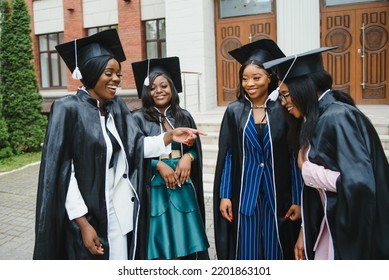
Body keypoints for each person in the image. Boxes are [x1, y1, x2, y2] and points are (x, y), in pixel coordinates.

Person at [33, 29, 204, 260]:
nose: (116, 79)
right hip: (90, 212)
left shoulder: (117, 109)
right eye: (109, 73)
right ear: (92, 73)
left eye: (118, 74)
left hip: (121, 214)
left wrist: (168, 137)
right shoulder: (68, 109)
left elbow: (136, 146)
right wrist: (82, 222)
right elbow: (64, 173)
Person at [263, 46, 389, 259]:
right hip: (330, 223)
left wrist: (308, 170)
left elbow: (360, 184)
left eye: (285, 95)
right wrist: (305, 229)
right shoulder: (318, 117)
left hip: (354, 231)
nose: (284, 103)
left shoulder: (337, 117)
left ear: (304, 87)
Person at [213, 39, 303, 260]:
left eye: (256, 77)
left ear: (270, 78)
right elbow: (228, 156)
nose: (249, 83)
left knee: (277, 250)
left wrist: (297, 197)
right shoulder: (235, 111)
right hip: (246, 194)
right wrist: (225, 195)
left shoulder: (282, 110)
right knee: (247, 250)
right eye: (244, 78)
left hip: (277, 194)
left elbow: (293, 156)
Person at [131, 56, 209, 260]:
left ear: (172, 88)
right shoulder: (138, 118)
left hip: (182, 189)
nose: (159, 91)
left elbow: (194, 150)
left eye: (164, 85)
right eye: (153, 87)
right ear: (146, 92)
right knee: (160, 247)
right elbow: (134, 153)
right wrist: (157, 165)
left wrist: (188, 159)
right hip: (155, 192)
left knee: (185, 245)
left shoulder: (183, 116)